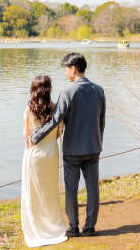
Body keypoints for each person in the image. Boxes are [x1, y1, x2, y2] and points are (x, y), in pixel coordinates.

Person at [28, 52, 106, 237]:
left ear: (73, 69)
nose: (65, 73)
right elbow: (101, 120)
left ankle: (73, 227)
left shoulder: (68, 92)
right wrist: (99, 142)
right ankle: (89, 228)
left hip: (72, 150)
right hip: (93, 147)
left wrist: (35, 137)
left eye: (65, 69)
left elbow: (55, 120)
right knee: (93, 188)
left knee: (71, 189)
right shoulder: (99, 90)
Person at [20, 75, 69, 247]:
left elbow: (27, 136)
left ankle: (36, 227)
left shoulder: (28, 109)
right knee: (50, 193)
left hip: (34, 156)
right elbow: (57, 133)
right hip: (50, 155)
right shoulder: (55, 108)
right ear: (49, 90)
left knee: (33, 193)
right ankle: (52, 226)